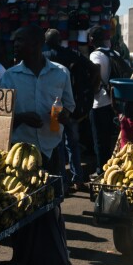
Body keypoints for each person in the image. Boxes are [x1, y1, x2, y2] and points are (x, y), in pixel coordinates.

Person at [1, 26, 82, 265]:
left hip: (50, 151)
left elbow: (69, 107)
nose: (15, 45)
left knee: (52, 211)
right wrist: (23, 118)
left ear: (36, 44)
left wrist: (59, 116)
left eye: (21, 40)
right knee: (22, 212)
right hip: (20, 156)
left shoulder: (60, 73)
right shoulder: (9, 77)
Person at [43, 29, 93, 191]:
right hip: (69, 104)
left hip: (52, 107)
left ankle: (63, 182)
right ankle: (77, 179)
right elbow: (92, 67)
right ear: (59, 40)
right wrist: (91, 89)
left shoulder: (42, 56)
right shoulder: (71, 54)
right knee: (72, 143)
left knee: (58, 144)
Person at [88, 26, 116, 176]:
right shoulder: (114, 52)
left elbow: (96, 73)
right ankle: (110, 168)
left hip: (99, 102)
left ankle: (101, 170)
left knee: (99, 140)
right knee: (110, 139)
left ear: (92, 39)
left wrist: (92, 91)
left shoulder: (96, 55)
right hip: (114, 102)